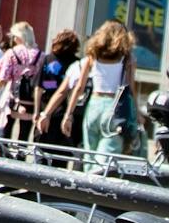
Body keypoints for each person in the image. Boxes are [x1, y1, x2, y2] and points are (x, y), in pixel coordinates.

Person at [59, 19, 140, 166]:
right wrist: (138, 114)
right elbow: (131, 89)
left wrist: (68, 114)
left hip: (94, 106)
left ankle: (88, 186)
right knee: (106, 161)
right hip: (114, 107)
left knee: (89, 157)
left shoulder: (92, 56)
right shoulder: (127, 59)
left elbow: (79, 88)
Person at [34, 28, 83, 152]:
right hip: (67, 112)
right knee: (61, 155)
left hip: (46, 110)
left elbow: (39, 87)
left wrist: (36, 111)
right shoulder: (78, 63)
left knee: (41, 150)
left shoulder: (48, 59)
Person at [0, 22, 41, 144]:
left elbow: (2, 78)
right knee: (23, 138)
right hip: (31, 101)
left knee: (5, 135)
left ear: (19, 37)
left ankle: (5, 159)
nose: (13, 39)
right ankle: (20, 159)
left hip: (13, 100)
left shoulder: (12, 53)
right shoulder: (40, 55)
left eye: (14, 36)